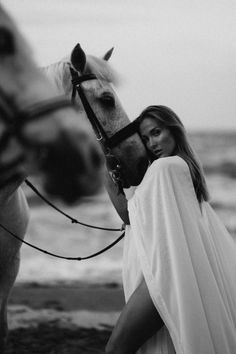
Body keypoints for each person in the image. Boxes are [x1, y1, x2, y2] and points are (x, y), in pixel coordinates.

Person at [105, 105, 236, 354]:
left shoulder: (164, 168)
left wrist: (106, 170)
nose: (152, 143)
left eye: (156, 132)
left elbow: (129, 213)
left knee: (116, 348)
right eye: (145, 138)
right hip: (180, 271)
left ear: (174, 130)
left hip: (166, 274)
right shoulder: (184, 167)